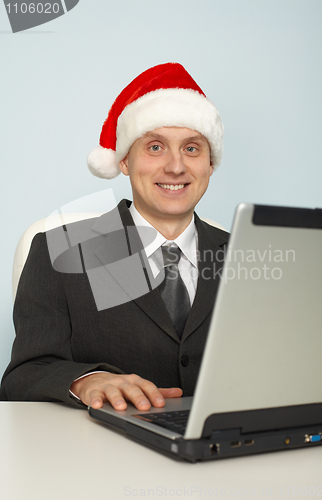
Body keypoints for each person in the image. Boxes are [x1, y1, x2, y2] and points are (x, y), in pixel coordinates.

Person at [0, 63, 229, 412]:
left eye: (192, 149)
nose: (176, 167)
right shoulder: (59, 251)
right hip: (102, 455)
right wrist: (85, 379)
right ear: (124, 161)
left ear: (210, 163)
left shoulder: (243, 253)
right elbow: (23, 376)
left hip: (227, 455)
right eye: (155, 147)